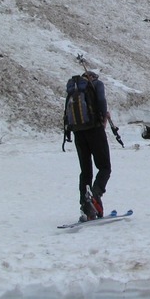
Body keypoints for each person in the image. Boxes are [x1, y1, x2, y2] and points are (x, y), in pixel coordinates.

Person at [65, 70, 112, 220]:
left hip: (78, 132)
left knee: (85, 171)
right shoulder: (96, 85)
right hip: (95, 130)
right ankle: (96, 194)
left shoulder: (74, 89)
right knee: (104, 167)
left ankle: (86, 208)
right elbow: (102, 102)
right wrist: (104, 117)